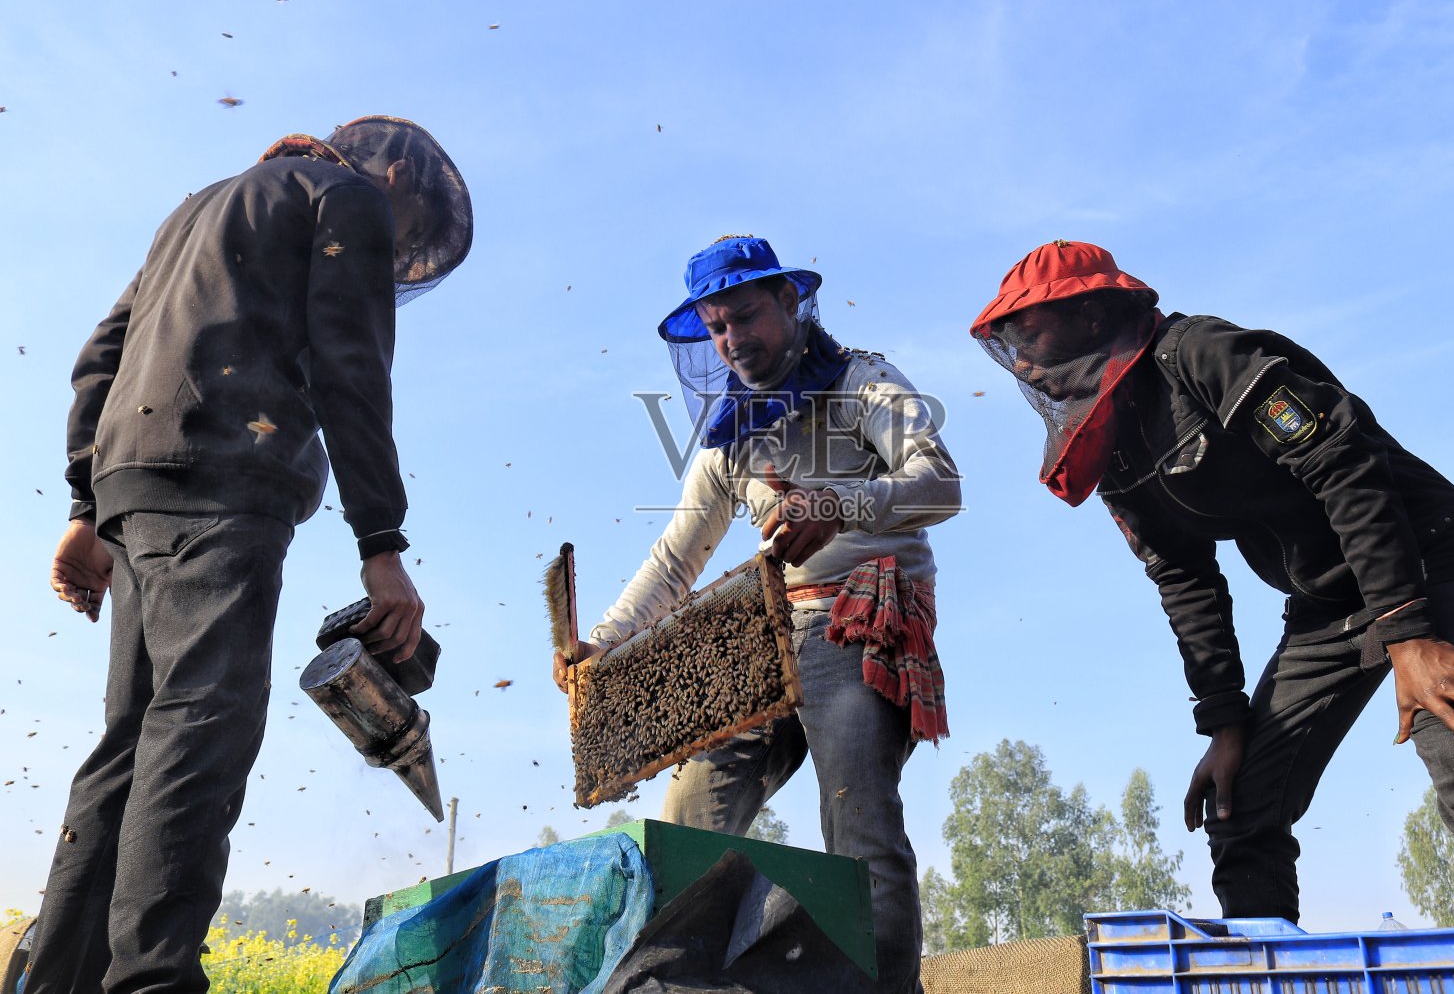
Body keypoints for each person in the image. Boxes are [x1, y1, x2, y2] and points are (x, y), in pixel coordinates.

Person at [969, 239, 1454, 924]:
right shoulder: (1106, 442)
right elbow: (1183, 578)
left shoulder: (1203, 355)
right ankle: (1265, 966)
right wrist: (1225, 722)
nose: (1021, 361)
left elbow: (1345, 464)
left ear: (1091, 316)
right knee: (1240, 805)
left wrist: (1408, 631)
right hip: (1327, 600)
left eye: (1029, 334)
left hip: (1424, 561)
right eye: (1009, 345)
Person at [32, 116, 473, 994]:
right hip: (225, 481)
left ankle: (55, 983)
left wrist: (86, 507)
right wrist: (381, 543)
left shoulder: (195, 209)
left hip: (133, 484)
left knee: (131, 740)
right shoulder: (347, 195)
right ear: (395, 175)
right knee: (203, 722)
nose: (399, 252)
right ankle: (153, 981)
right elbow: (351, 366)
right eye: (410, 234)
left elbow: (102, 355)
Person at [553, 235, 960, 992]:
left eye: (744, 316)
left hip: (860, 621)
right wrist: (601, 644)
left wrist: (837, 505)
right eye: (716, 328)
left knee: (859, 827)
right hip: (763, 636)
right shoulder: (729, 438)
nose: (732, 339)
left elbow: (941, 483)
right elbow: (674, 561)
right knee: (686, 827)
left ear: (789, 300)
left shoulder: (863, 382)